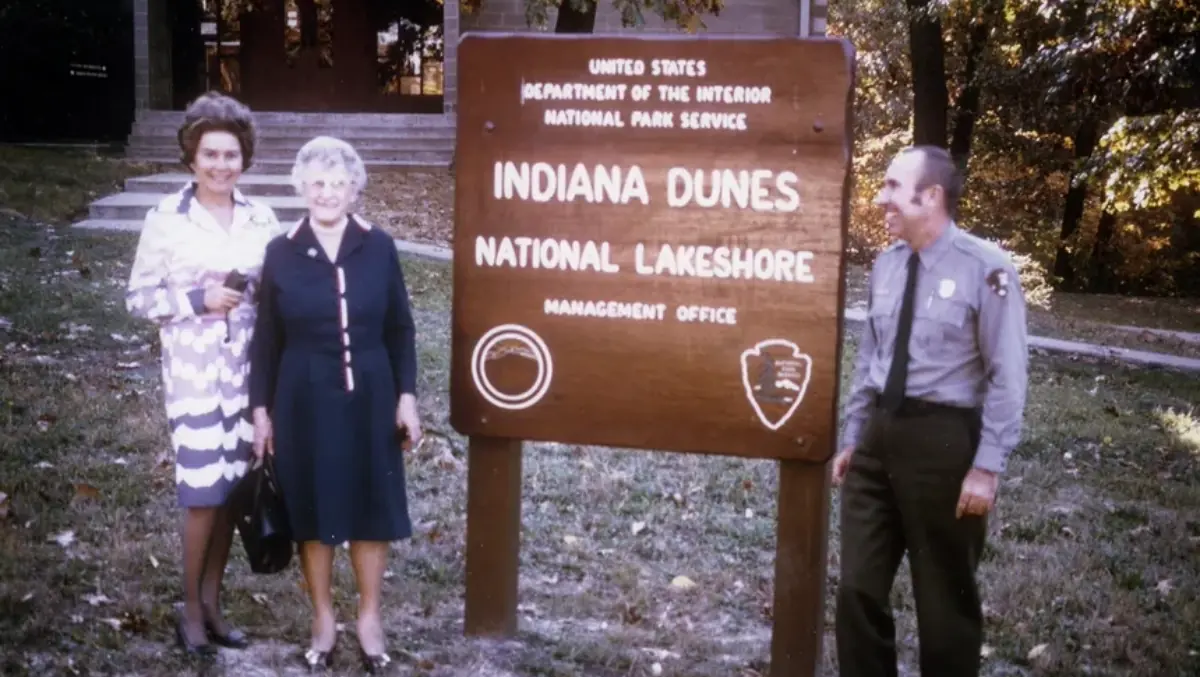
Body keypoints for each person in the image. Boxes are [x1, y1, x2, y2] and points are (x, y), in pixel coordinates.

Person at [832, 145, 1028, 677]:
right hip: (878, 439)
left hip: (945, 445)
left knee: (944, 604)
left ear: (932, 196)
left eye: (893, 187)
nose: (880, 199)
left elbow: (1007, 373)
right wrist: (853, 436)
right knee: (856, 588)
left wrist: (987, 466)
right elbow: (871, 357)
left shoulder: (987, 269)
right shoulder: (887, 265)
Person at [249, 135, 423, 672]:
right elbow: (266, 339)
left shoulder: (379, 245)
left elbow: (400, 328)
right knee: (313, 505)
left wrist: (407, 399)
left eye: (338, 183)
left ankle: (370, 616)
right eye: (317, 183)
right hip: (301, 397)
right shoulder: (280, 249)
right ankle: (323, 616)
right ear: (301, 186)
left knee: (371, 503)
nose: (327, 193)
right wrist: (261, 411)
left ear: (355, 190)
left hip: (370, 393)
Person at [125, 91, 282, 655]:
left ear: (245, 159)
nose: (221, 165)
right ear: (192, 156)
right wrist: (196, 299)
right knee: (201, 494)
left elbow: (275, 299)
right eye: (210, 154)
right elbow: (139, 299)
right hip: (193, 374)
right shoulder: (165, 218)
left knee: (235, 492)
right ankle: (188, 607)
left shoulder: (263, 219)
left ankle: (214, 603)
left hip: (248, 376)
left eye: (231, 155)